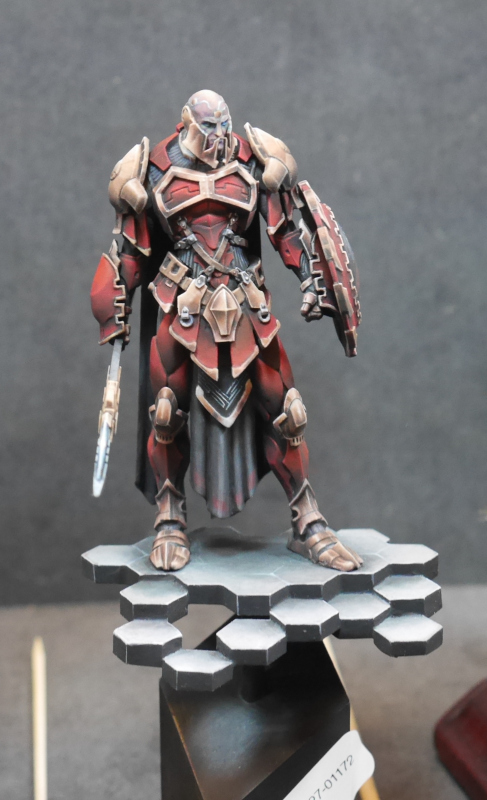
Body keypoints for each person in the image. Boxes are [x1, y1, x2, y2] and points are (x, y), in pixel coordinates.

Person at [91, 90, 362, 573]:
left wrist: (310, 280)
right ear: (187, 125)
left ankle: (307, 518)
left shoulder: (256, 160)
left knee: (289, 411)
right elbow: (130, 251)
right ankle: (170, 515)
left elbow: (285, 231)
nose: (218, 137)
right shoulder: (149, 170)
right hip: (182, 305)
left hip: (244, 302)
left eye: (224, 126)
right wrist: (114, 305)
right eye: (208, 127)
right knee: (165, 413)